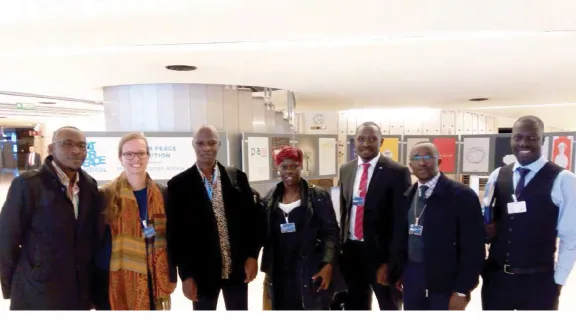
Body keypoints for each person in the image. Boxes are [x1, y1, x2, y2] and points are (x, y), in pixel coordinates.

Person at [0, 126, 101, 310]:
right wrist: (9, 286)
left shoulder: (89, 186)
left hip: (78, 291)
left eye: (81, 145)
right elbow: (7, 238)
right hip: (38, 290)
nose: (76, 150)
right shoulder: (28, 185)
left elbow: (90, 240)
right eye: (67, 144)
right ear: (51, 149)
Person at [482, 115, 576, 310]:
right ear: (511, 140)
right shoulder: (497, 175)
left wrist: (557, 282)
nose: (524, 143)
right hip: (497, 281)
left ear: (542, 140)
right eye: (518, 137)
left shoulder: (563, 179)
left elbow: (571, 237)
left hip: (538, 282)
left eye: (532, 138)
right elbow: (488, 219)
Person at [166, 124, 263, 310]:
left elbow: (253, 221)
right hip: (202, 272)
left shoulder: (236, 178)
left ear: (219, 144)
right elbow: (176, 236)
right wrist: (185, 276)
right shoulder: (179, 185)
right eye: (201, 143)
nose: (206, 148)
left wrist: (252, 256)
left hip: (237, 268)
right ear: (193, 145)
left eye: (211, 143)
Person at [397, 142, 485, 310]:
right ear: (410, 165)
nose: (422, 163)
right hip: (413, 279)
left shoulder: (462, 196)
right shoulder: (408, 195)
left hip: (445, 283)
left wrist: (462, 290)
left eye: (428, 157)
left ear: (439, 161)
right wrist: (400, 273)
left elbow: (474, 248)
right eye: (416, 158)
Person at [94, 132, 177, 310]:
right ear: (120, 158)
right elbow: (97, 242)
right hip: (118, 279)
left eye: (141, 153)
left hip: (154, 276)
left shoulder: (163, 194)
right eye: (128, 154)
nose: (135, 158)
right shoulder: (106, 195)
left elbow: (172, 238)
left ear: (148, 156)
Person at [338, 121, 412, 310]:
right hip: (352, 252)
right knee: (356, 304)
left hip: (381, 256)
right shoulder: (346, 169)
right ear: (355, 141)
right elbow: (345, 209)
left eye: (372, 139)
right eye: (361, 139)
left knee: (389, 305)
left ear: (381, 141)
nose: (366, 144)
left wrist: (391, 261)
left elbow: (401, 221)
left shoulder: (397, 172)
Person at [260, 146, 340, 310]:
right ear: (278, 169)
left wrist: (328, 264)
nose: (289, 171)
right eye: (284, 167)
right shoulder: (270, 198)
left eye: (294, 166)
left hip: (309, 267)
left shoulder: (318, 196)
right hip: (280, 270)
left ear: (301, 166)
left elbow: (331, 233)